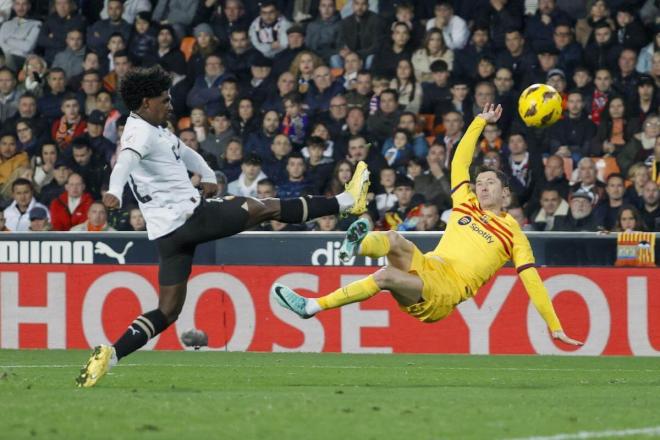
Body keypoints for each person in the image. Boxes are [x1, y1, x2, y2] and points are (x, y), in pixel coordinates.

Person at [76, 65, 371, 388]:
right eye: (164, 99)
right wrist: (114, 192)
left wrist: (206, 175)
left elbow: (184, 152)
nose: (171, 104)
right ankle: (346, 202)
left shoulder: (152, 127)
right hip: (189, 218)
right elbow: (124, 164)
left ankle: (110, 355)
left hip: (168, 236)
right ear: (146, 102)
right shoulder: (139, 134)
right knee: (265, 206)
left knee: (168, 309)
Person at [272, 104, 582, 348]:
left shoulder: (513, 232)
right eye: (479, 183)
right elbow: (460, 162)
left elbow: (532, 282)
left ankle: (312, 305)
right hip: (429, 265)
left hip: (444, 293)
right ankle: (357, 244)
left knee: (384, 276)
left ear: (505, 193)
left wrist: (554, 325)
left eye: (489, 183)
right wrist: (479, 122)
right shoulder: (466, 202)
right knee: (393, 238)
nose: (482, 187)